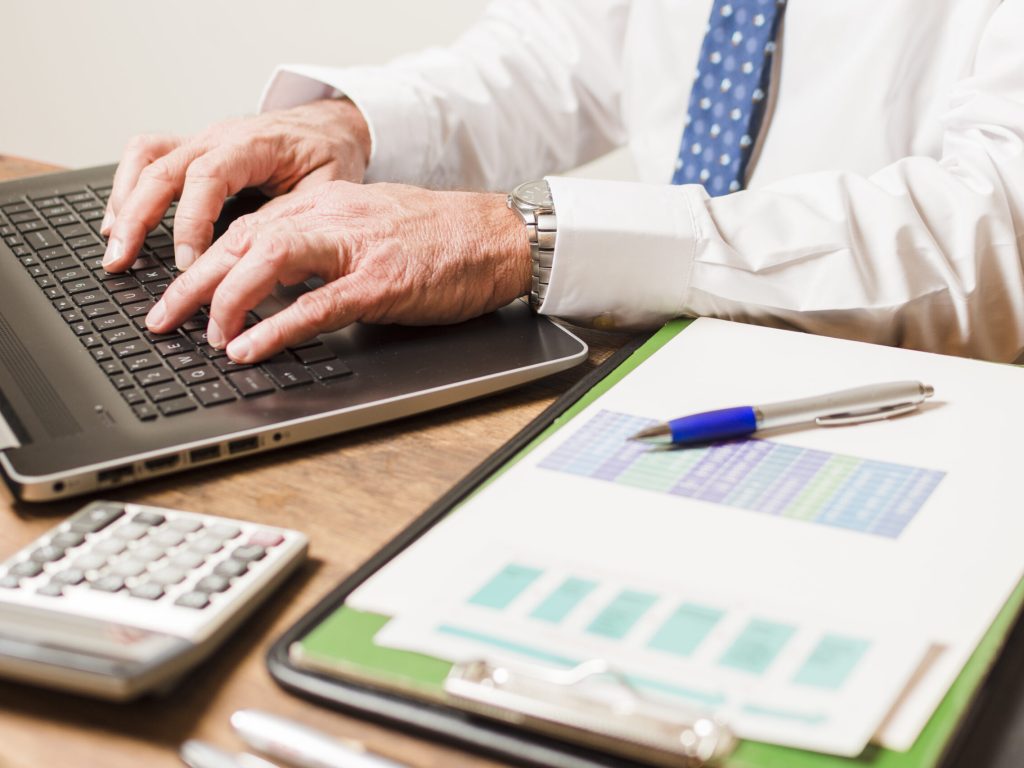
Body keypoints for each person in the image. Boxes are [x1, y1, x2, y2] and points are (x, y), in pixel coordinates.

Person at [100, 0, 1024, 364]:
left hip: (910, 402)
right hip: (654, 363)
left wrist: (526, 238)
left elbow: (992, 229)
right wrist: (352, 124)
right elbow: (572, 49)